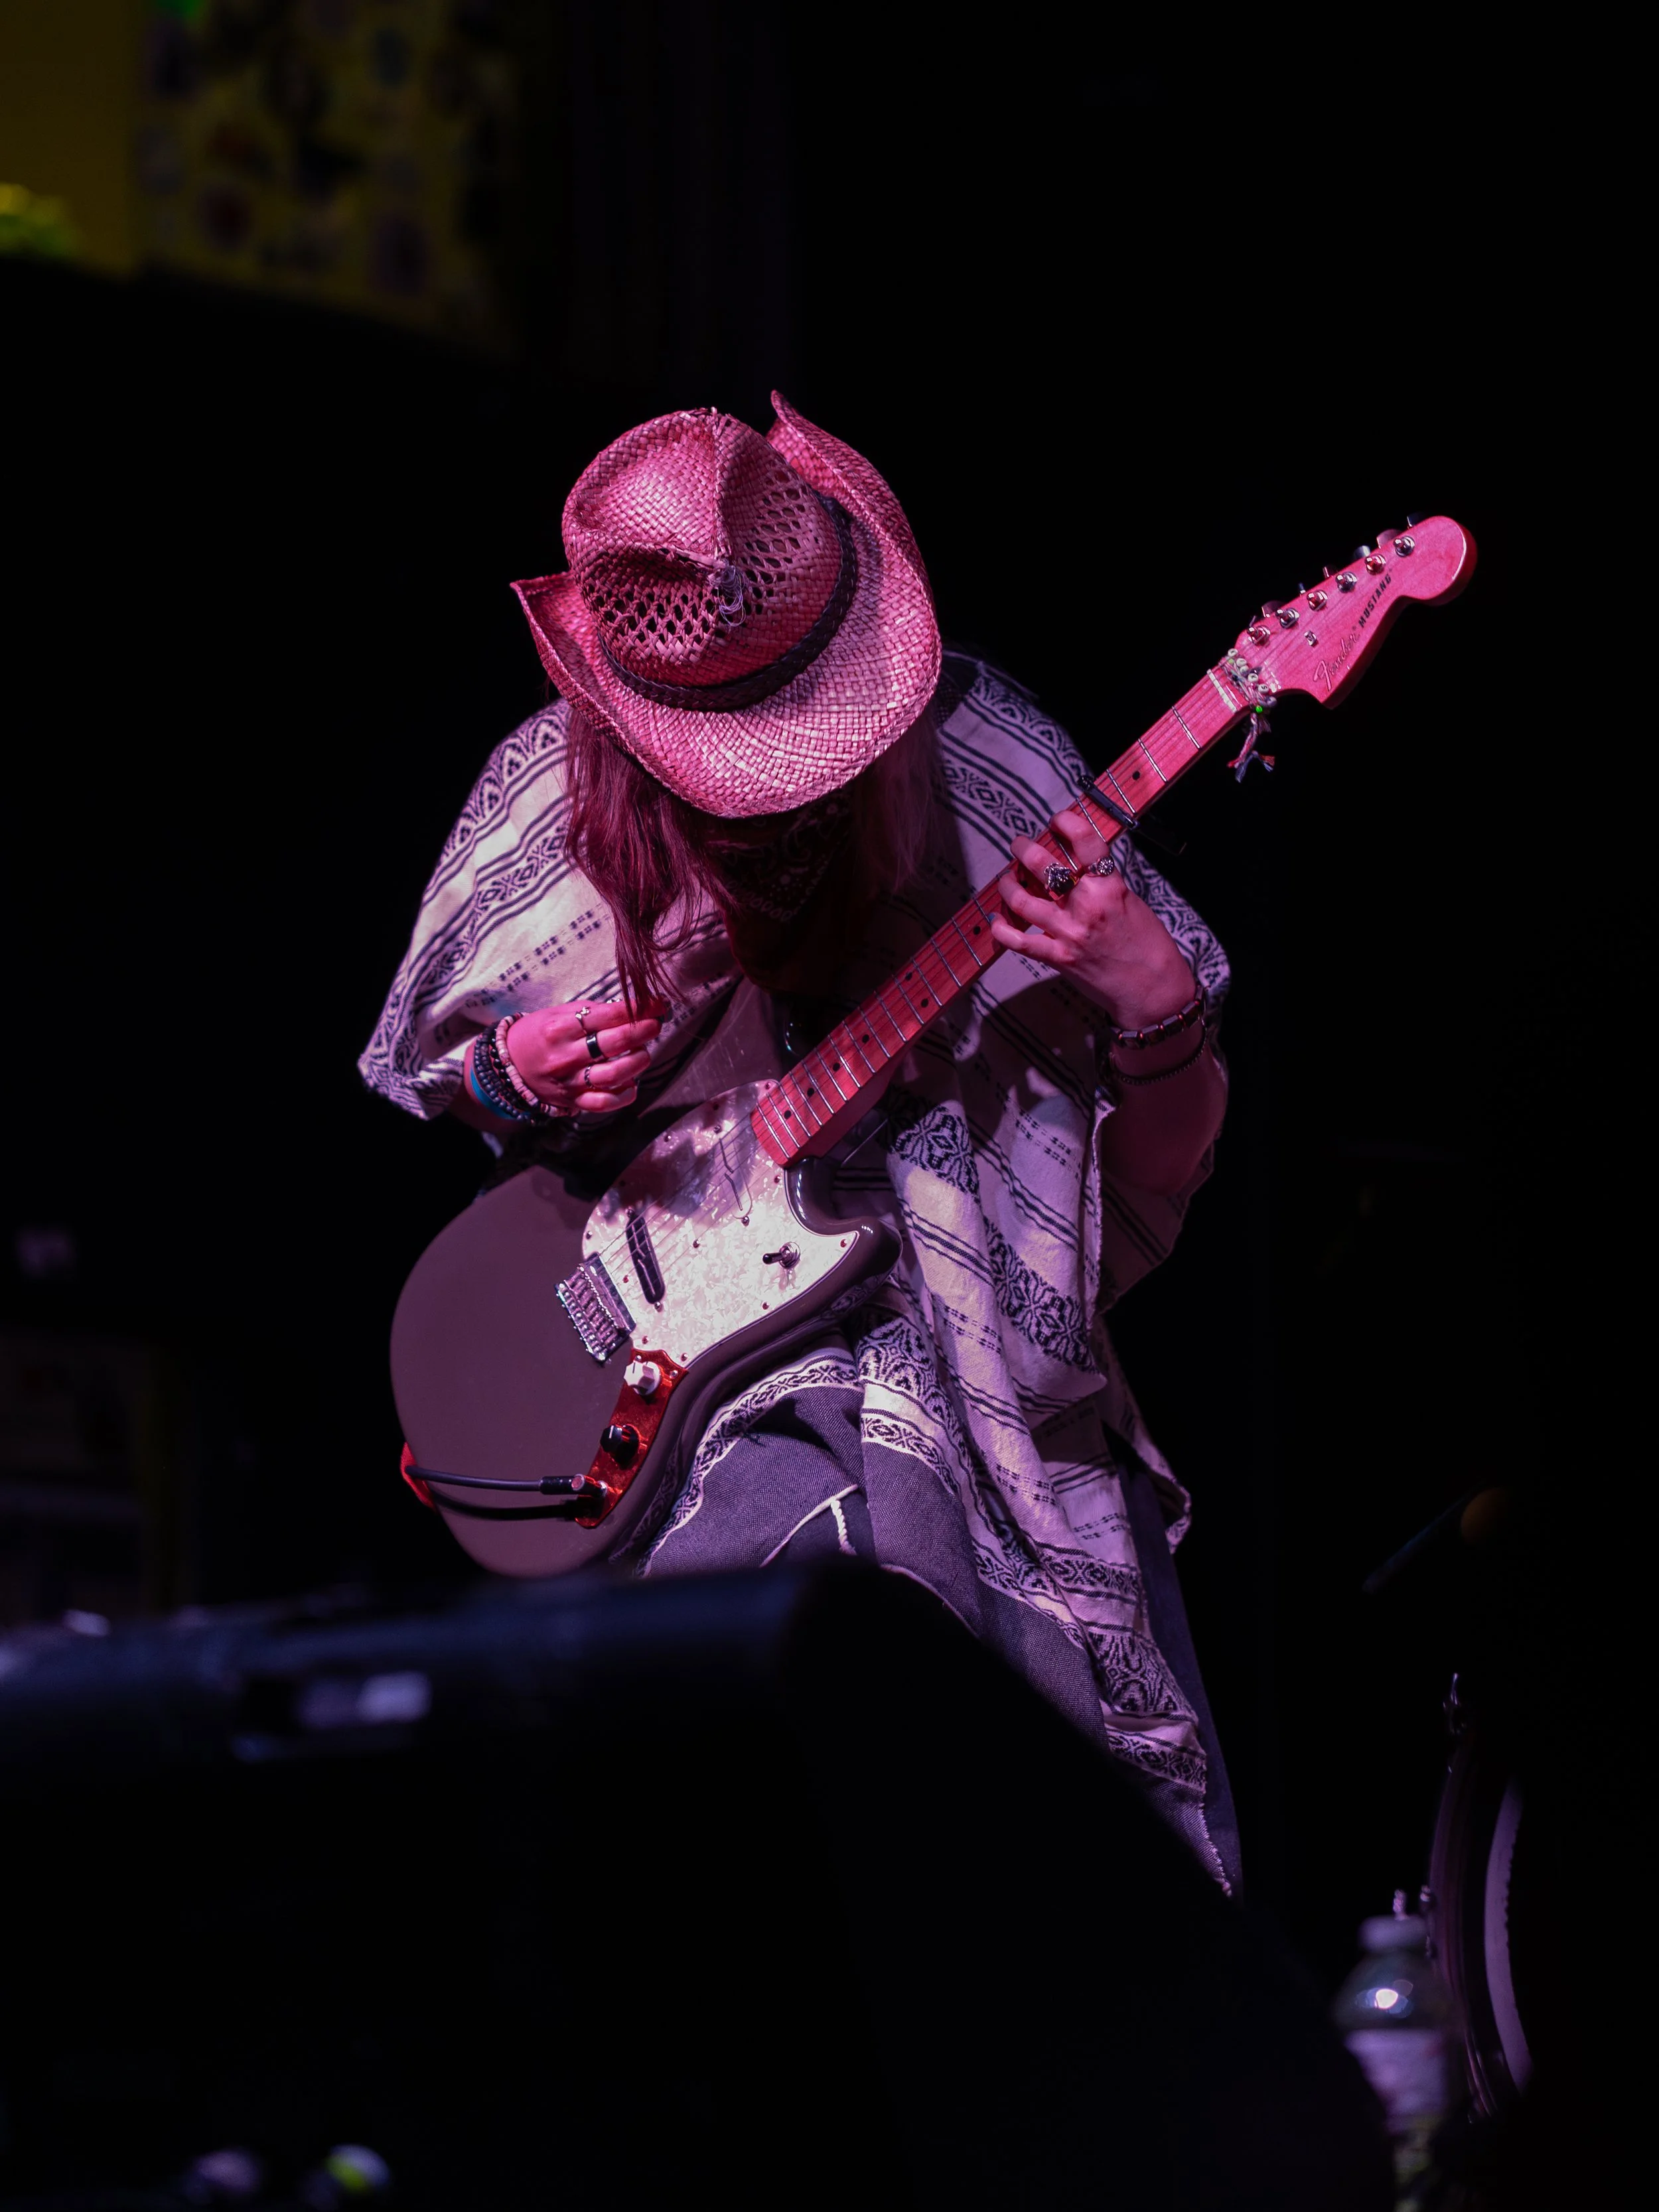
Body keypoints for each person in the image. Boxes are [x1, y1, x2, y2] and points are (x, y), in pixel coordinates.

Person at [362, 397, 1240, 1888]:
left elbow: (1154, 1176)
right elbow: (449, 1082)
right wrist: (518, 1076)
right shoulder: (547, 791)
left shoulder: (984, 759)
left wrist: (1161, 1014)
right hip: (669, 1383)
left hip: (983, 1390)